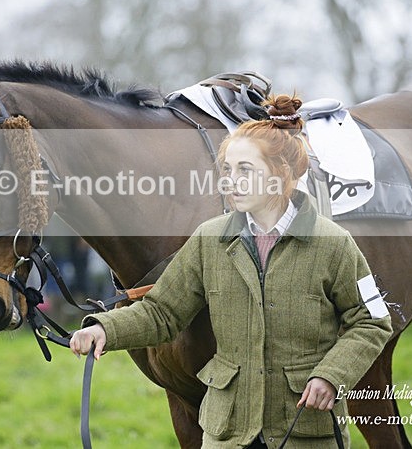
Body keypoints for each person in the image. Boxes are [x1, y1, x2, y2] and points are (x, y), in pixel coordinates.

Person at [70, 95, 393, 448]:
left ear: (279, 175)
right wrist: (104, 329)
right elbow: (162, 311)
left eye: (244, 170)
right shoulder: (209, 240)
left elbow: (373, 320)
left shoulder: (335, 244)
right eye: (227, 169)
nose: (230, 181)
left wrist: (332, 376)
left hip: (306, 432)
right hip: (227, 434)